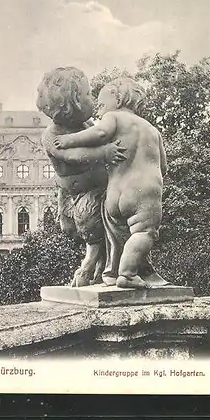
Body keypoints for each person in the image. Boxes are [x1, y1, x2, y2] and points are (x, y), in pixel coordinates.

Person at [53, 77, 168, 289]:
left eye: (102, 103)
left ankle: (111, 272)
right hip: (143, 192)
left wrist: (70, 140)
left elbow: (99, 133)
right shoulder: (152, 130)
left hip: (114, 194)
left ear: (118, 98)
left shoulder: (112, 118)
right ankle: (127, 274)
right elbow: (164, 167)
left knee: (116, 233)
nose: (98, 108)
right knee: (144, 232)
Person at [36, 67, 126, 287]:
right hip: (69, 192)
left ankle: (90, 265)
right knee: (71, 228)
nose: (92, 98)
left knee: (92, 226)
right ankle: (99, 266)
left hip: (93, 191)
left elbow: (100, 139)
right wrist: (104, 153)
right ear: (70, 106)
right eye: (87, 94)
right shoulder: (51, 135)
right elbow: (72, 155)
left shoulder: (88, 126)